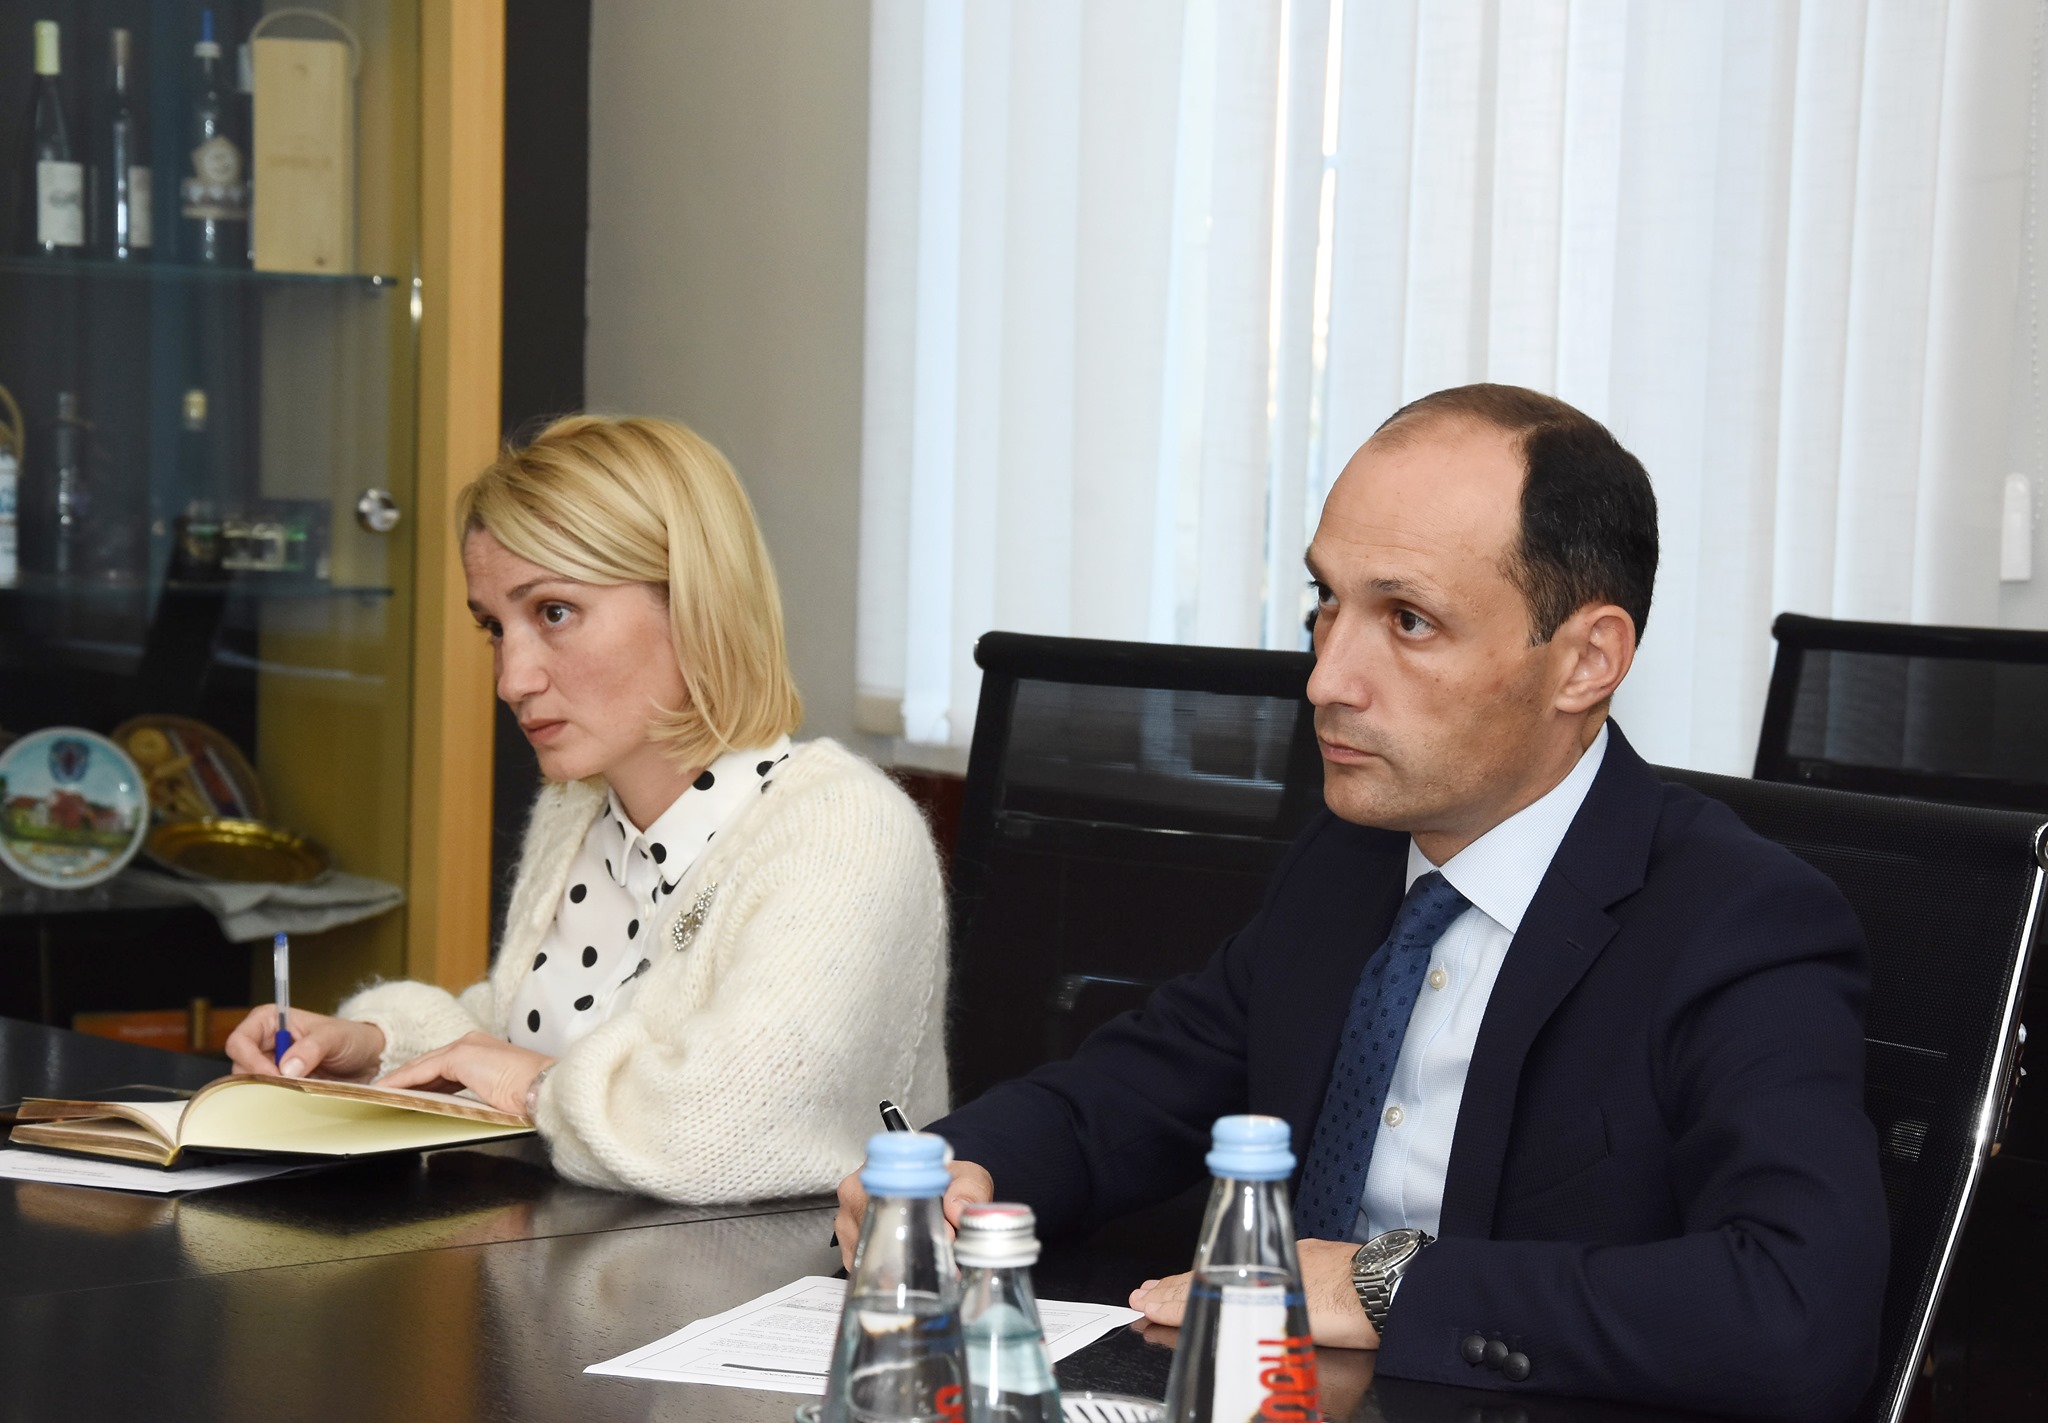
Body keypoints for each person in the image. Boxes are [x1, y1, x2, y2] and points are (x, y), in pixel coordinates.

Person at [834, 385, 1888, 1420]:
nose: (1326, 678)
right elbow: (1132, 1091)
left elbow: (1798, 1315)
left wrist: (1383, 1283)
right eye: (1325, 604)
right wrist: (959, 1167)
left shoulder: (1737, 923)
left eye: (1408, 620)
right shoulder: (1348, 862)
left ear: (1585, 661)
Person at [226, 414, 950, 1203]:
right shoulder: (577, 806)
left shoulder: (843, 830)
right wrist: (376, 1045)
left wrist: (531, 1088)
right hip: (580, 1256)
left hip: (778, 1272)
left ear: (693, 601)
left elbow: (720, 1129)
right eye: (494, 626)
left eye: (554, 612)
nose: (512, 679)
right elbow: (513, 1031)